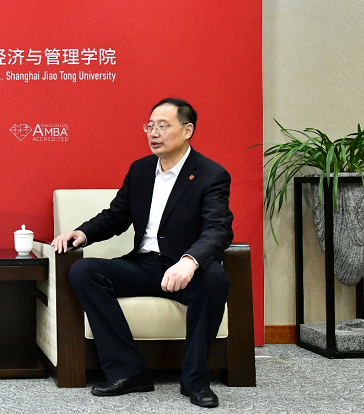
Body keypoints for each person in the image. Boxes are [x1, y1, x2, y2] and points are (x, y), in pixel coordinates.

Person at [51, 98, 233, 408]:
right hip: (144, 265)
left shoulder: (210, 174)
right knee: (84, 271)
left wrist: (190, 261)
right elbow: (116, 216)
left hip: (184, 269)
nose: (154, 133)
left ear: (187, 130)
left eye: (163, 126)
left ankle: (195, 381)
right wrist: (82, 233)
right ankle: (129, 371)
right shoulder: (141, 170)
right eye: (150, 126)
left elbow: (219, 229)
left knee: (215, 278)